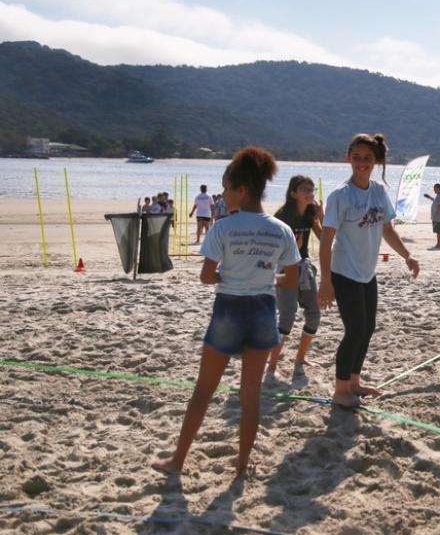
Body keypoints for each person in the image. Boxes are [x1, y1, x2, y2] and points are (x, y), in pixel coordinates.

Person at [152, 146, 300, 479]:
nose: (223, 195)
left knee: (204, 391)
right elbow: (290, 279)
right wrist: (262, 276)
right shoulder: (281, 229)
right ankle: (242, 465)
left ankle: (177, 461)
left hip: (230, 309)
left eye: (227, 188)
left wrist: (228, 276)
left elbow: (207, 277)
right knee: (251, 396)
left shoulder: (222, 227)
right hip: (263, 310)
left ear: (241, 189)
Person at [318, 133, 420, 408]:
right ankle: (340, 391)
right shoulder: (340, 195)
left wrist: (407, 255)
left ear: (376, 161)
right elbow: (326, 240)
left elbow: (387, 229)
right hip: (343, 271)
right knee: (354, 330)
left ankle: (354, 382)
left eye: (368, 159)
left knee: (368, 329)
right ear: (348, 158)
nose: (362, 163)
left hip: (367, 272)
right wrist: (325, 281)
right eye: (357, 158)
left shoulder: (378, 191)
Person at [266, 175, 324, 375]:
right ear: (293, 193)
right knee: (287, 317)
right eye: (305, 190)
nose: (310, 193)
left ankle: (300, 359)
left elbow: (324, 240)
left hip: (304, 268)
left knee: (314, 315)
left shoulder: (310, 213)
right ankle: (272, 364)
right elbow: (271, 247)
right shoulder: (282, 216)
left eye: (312, 189)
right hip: (285, 268)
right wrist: (292, 249)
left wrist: (321, 217)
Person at [423, 183, 440, 250]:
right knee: (438, 231)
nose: (434, 190)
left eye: (435, 188)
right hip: (437, 217)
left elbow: (439, 206)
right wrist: (429, 197)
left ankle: (439, 244)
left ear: (438, 188)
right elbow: (436, 201)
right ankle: (438, 244)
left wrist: (436, 215)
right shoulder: (438, 196)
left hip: (438, 218)